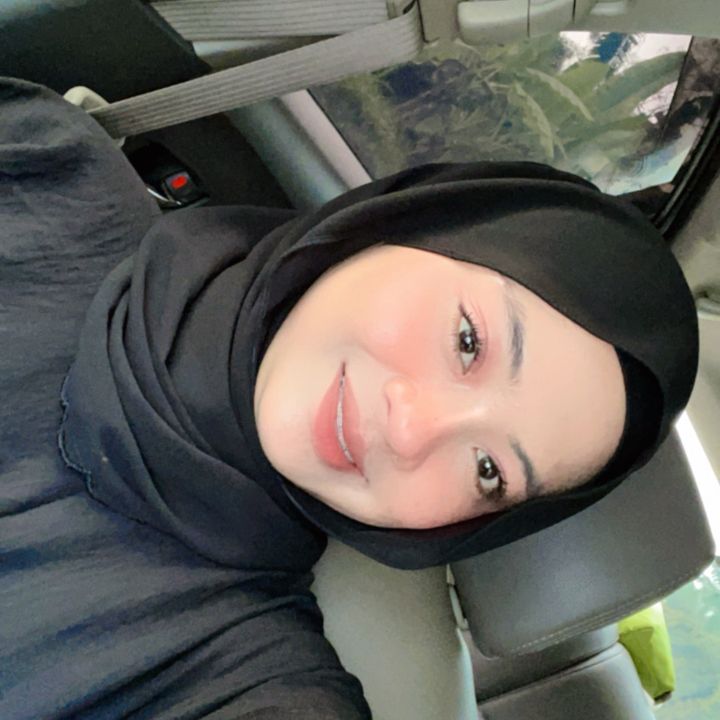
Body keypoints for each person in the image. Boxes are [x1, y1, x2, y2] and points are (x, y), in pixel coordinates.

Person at [0, 76, 698, 719]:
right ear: (401, 224)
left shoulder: (247, 678)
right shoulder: (44, 159)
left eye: (490, 471)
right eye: (468, 340)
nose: (413, 429)